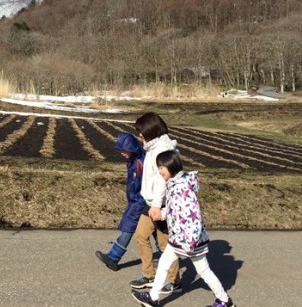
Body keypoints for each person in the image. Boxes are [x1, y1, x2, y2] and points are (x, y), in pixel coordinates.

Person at [132, 150, 236, 307]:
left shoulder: (182, 188)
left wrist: (190, 242)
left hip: (187, 240)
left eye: (161, 168)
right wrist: (162, 214)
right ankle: (224, 300)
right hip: (182, 239)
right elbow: (176, 209)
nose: (160, 171)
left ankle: (224, 301)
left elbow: (193, 216)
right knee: (171, 265)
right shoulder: (177, 184)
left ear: (170, 166)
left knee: (201, 271)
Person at [130, 112, 181, 295]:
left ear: (151, 129)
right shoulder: (153, 147)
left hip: (161, 204)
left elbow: (162, 180)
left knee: (165, 245)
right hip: (151, 201)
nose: (140, 135)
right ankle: (149, 275)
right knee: (141, 235)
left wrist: (157, 206)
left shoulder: (162, 149)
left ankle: (174, 281)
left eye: (141, 131)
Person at [95, 132, 146, 271]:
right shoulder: (132, 161)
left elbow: (146, 184)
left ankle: (113, 258)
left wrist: (140, 201)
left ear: (131, 148)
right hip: (135, 200)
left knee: (128, 228)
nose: (122, 153)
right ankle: (167, 258)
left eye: (124, 150)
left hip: (140, 202)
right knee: (155, 232)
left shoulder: (141, 163)